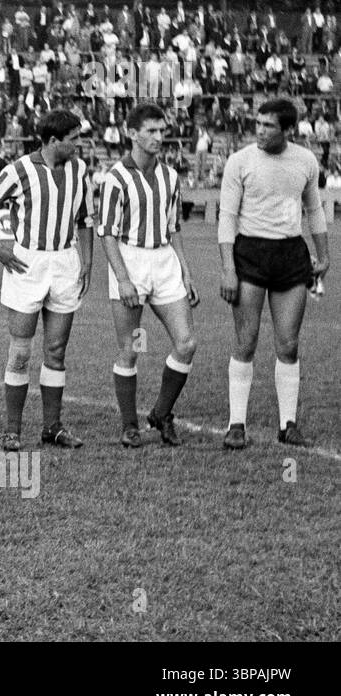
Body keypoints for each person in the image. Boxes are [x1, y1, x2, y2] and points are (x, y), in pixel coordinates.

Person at [0, 109, 94, 452]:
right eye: (74, 139)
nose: (79, 144)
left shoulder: (80, 171)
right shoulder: (20, 170)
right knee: (21, 351)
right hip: (28, 264)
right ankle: (12, 430)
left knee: (56, 350)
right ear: (54, 141)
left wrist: (86, 262)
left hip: (65, 262)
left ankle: (52, 427)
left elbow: (85, 219)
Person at [218, 98, 328, 449]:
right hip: (250, 254)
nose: (260, 130)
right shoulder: (240, 161)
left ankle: (288, 425)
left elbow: (314, 209)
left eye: (268, 125)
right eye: (258, 123)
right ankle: (237, 424)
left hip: (290, 255)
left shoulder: (305, 160)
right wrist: (227, 269)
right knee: (245, 341)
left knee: (289, 343)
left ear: (288, 130)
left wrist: (323, 255)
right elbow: (226, 217)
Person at [97, 103, 198, 448]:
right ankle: (129, 425)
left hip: (164, 262)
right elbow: (107, 233)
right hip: (131, 262)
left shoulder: (170, 176)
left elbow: (175, 227)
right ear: (132, 133)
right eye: (151, 131)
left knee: (186, 343)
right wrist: (123, 279)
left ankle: (161, 413)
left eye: (161, 130)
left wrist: (185, 272)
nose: (159, 137)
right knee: (132, 348)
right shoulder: (116, 178)